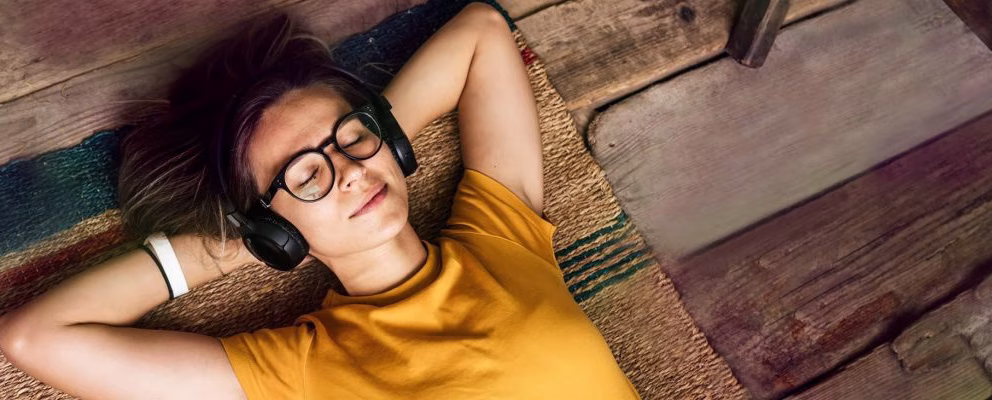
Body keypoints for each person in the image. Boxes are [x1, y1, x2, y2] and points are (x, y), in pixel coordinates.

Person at [0, 3, 641, 399]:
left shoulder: (503, 239)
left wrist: (377, 142)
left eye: (351, 138)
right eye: (305, 176)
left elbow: (481, 33)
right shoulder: (300, 374)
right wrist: (243, 239)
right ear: (270, 226)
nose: (349, 173)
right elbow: (36, 339)